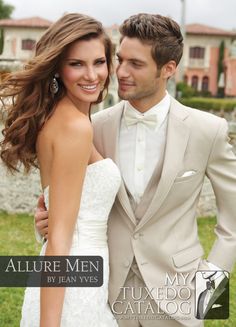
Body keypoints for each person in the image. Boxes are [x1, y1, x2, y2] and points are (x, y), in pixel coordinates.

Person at [35, 13, 236, 327]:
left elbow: (232, 222)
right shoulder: (93, 126)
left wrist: (205, 295)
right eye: (119, 59)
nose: (121, 73)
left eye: (136, 64)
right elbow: (70, 202)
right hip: (106, 295)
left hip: (179, 299)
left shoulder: (208, 130)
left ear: (168, 69)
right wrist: (45, 221)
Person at [0, 13, 120, 327]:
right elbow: (60, 242)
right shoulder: (75, 127)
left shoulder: (59, 116)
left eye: (99, 62)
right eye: (76, 64)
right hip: (71, 286)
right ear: (57, 68)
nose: (92, 75)